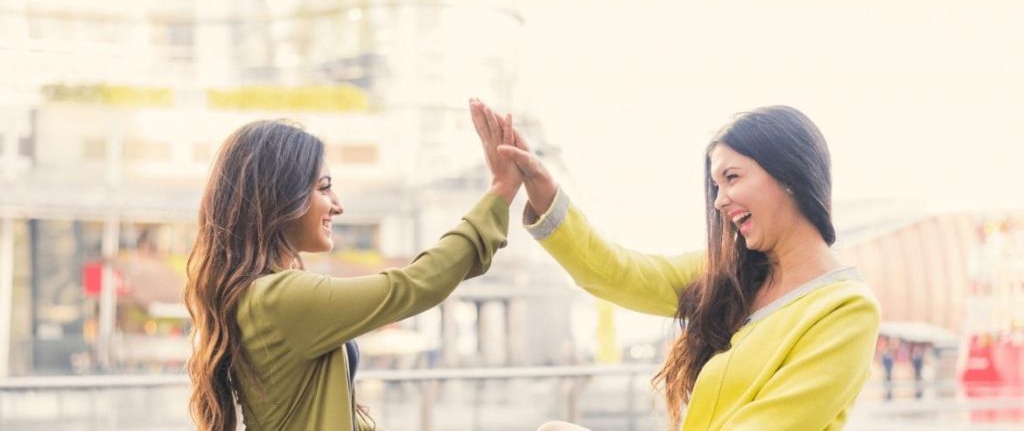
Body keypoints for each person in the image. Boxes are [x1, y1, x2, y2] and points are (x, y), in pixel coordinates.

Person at [471, 103, 881, 430]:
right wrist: (543, 192)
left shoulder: (845, 310)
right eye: (716, 185)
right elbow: (617, 273)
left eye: (732, 177)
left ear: (789, 175)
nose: (719, 200)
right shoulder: (728, 276)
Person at [183, 106, 521, 430]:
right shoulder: (278, 300)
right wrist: (502, 190)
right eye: (324, 187)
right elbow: (415, 285)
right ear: (280, 198)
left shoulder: (262, 296)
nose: (337, 205)